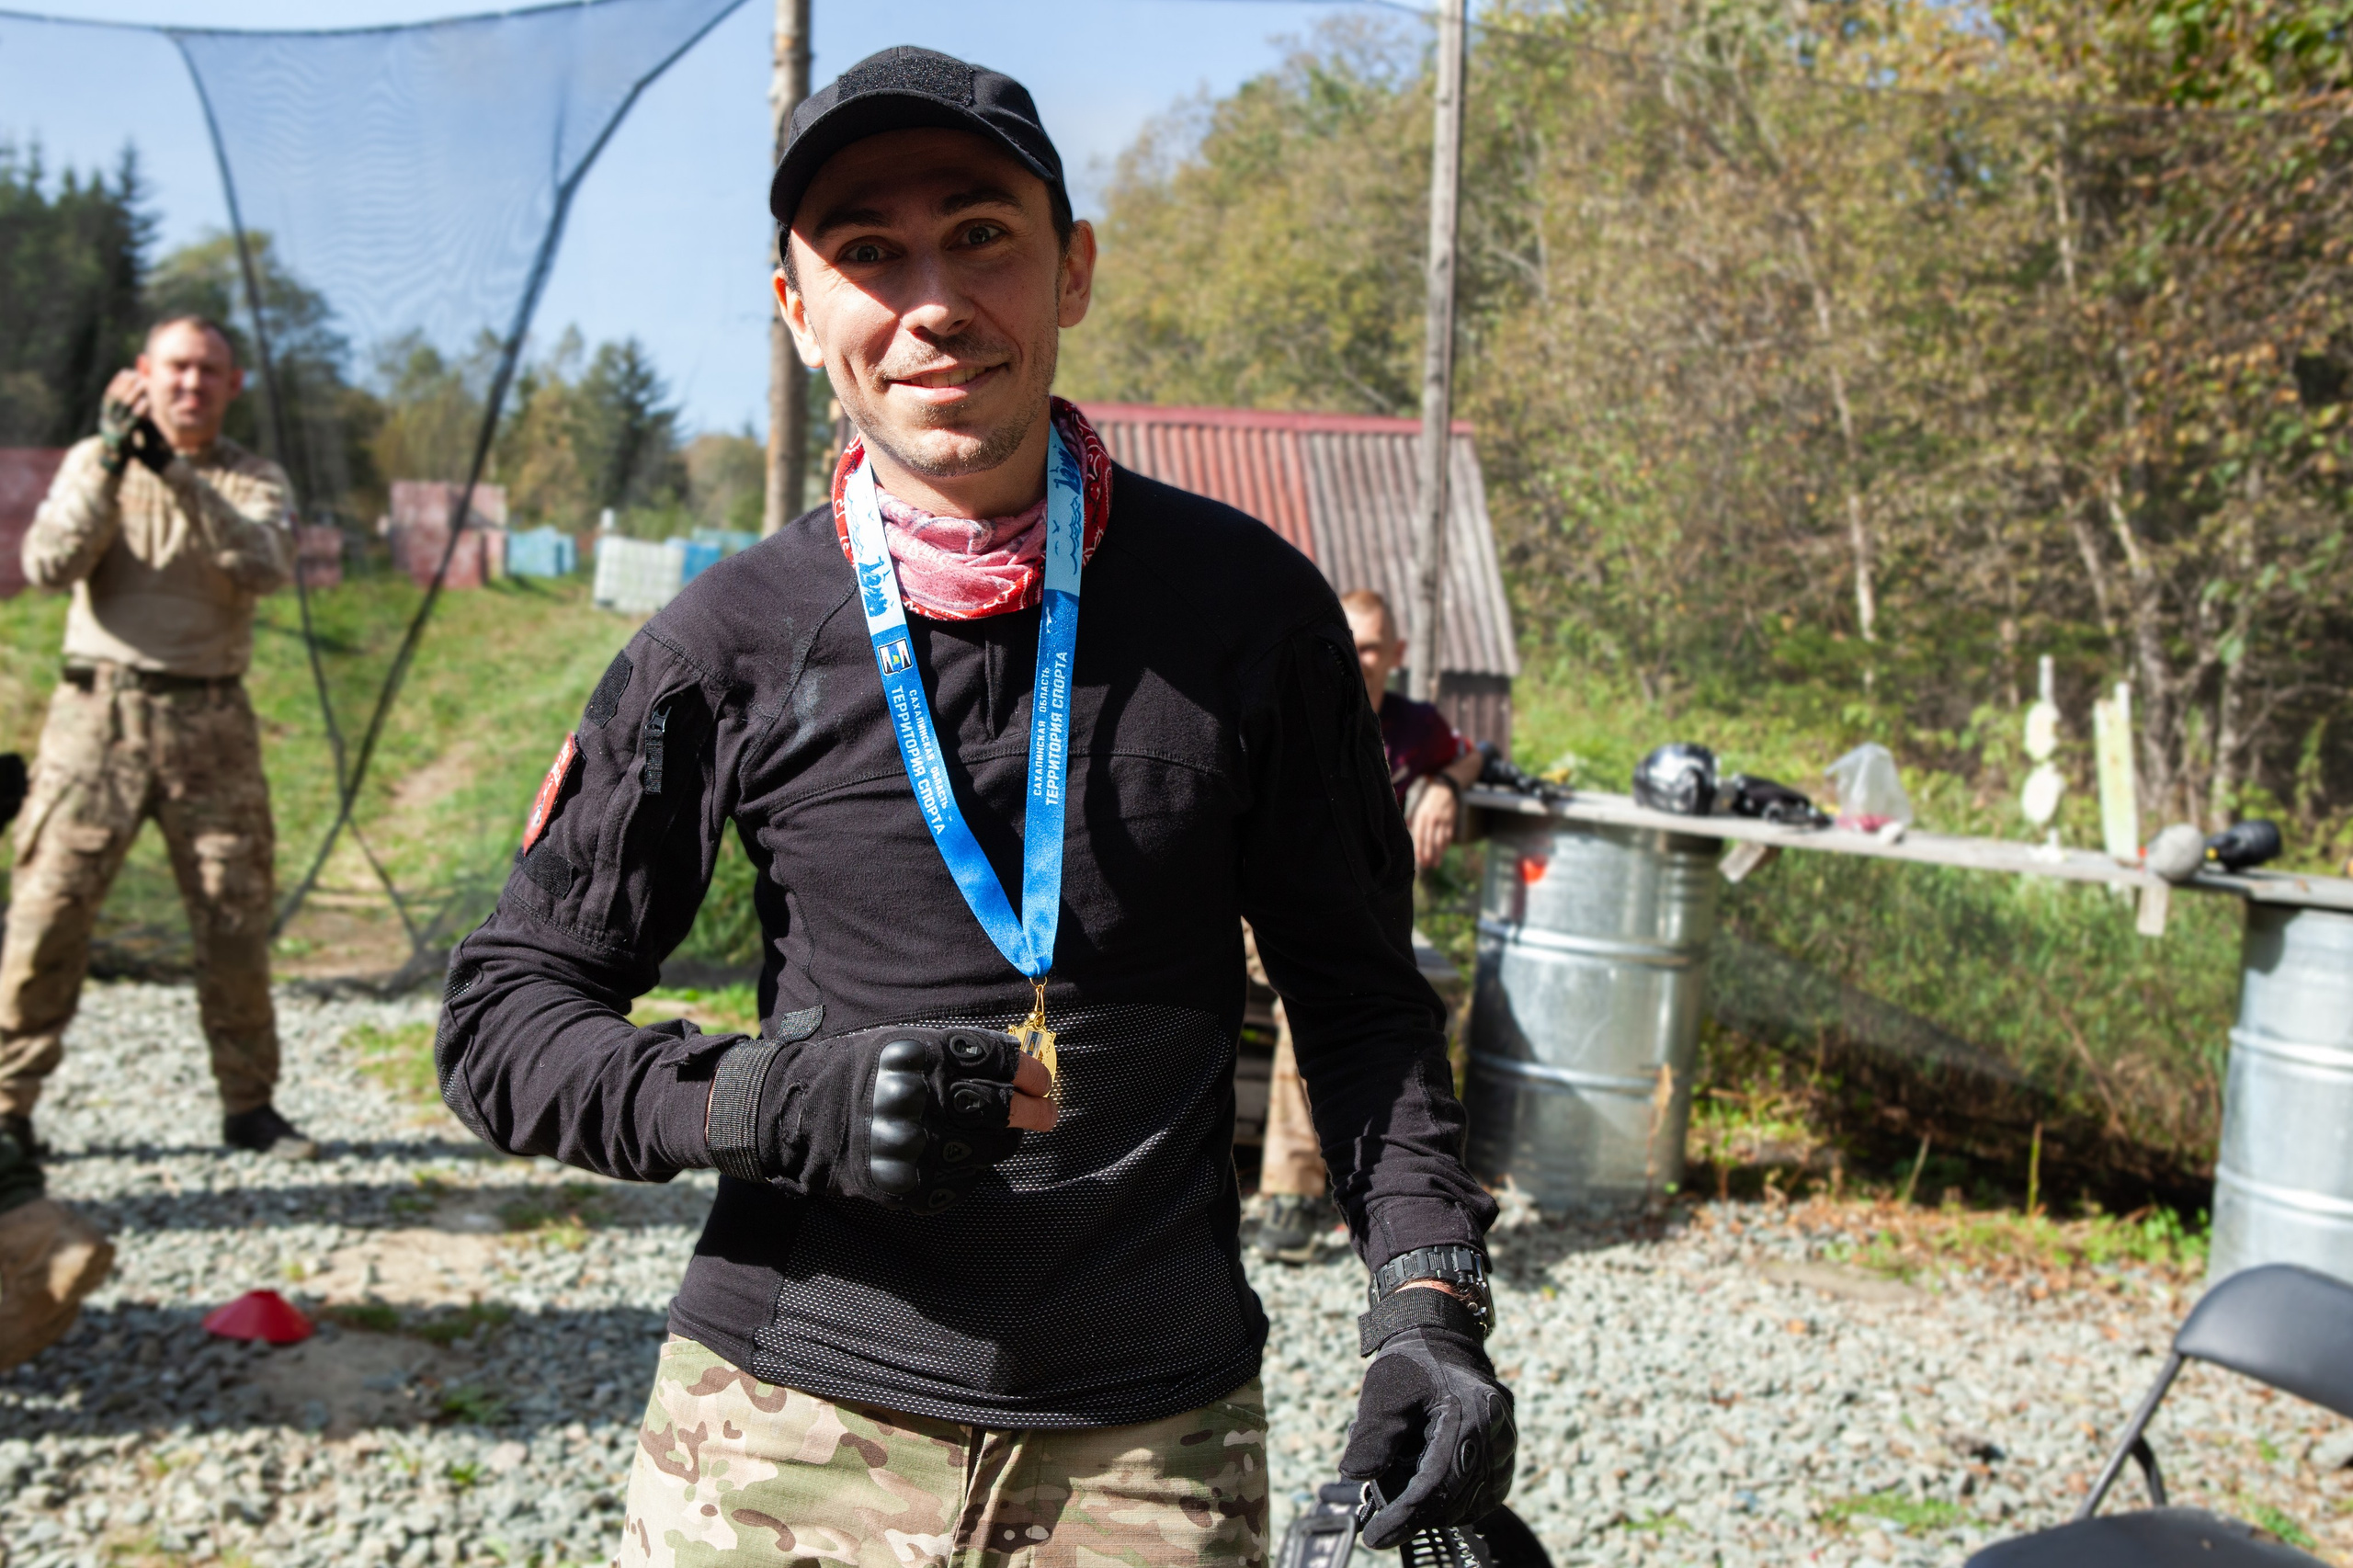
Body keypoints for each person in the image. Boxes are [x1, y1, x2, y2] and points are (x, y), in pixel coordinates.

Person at [435, 47, 1513, 1566]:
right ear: (797, 311)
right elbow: (502, 1022)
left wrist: (1429, 1307)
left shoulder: (1251, 612)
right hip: (776, 1433)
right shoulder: (722, 645)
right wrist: (768, 1102)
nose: (933, 300)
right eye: (869, 253)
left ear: (1073, 270)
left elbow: (1359, 1003)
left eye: (982, 235)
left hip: (1151, 1452)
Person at [0, 317, 313, 1161]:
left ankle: (250, 1107)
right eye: (176, 367)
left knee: (233, 920)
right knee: (47, 915)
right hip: (95, 721)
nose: (190, 384)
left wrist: (175, 475)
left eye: (209, 371)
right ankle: (7, 1111)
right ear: (142, 373)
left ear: (234, 384)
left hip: (211, 723)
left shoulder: (252, 478)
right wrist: (113, 462)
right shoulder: (91, 461)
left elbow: (264, 565)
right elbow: (49, 565)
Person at [1256, 589, 1484, 1259]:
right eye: (1350, 643)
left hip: (1361, 920)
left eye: (1375, 647)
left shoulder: (1413, 727)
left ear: (1397, 654)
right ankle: (1292, 1192)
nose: (1362, 659)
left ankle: (1409, 1195)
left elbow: (1475, 752)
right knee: (1312, 997)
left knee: (1406, 1004)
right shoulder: (1297, 707)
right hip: (1273, 908)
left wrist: (1447, 785)